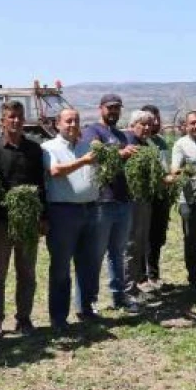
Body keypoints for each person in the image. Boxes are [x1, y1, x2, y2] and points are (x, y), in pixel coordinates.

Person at [0, 100, 46, 336]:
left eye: (20, 116)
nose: (16, 121)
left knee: (27, 272)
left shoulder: (34, 149)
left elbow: (41, 185)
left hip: (28, 221)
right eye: (11, 117)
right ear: (2, 120)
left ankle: (24, 319)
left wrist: (43, 216)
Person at [80, 93, 140, 314]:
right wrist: (121, 153)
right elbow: (96, 151)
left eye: (117, 108)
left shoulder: (121, 134)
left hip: (123, 200)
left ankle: (119, 296)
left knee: (118, 252)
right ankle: (89, 301)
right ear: (101, 108)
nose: (114, 111)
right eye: (110, 108)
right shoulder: (93, 130)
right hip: (102, 200)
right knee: (95, 254)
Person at [42, 108, 101, 331]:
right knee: (61, 267)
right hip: (63, 212)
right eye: (68, 121)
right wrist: (84, 161)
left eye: (76, 120)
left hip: (90, 209)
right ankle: (58, 317)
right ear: (58, 124)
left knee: (88, 264)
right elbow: (55, 171)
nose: (73, 124)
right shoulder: (49, 148)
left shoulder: (89, 147)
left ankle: (85, 308)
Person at [171, 110, 196, 286]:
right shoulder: (181, 144)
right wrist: (185, 171)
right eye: (192, 123)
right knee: (191, 239)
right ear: (186, 125)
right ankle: (193, 276)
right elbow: (174, 170)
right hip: (188, 200)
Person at [123, 109, 158, 301]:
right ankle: (127, 289)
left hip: (143, 199)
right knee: (130, 244)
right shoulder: (128, 142)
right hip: (131, 200)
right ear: (132, 125)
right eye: (142, 124)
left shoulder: (146, 144)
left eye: (149, 124)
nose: (146, 128)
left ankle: (134, 286)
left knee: (140, 243)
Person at [142, 104, 171, 288]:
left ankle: (153, 274)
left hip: (162, 195)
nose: (155, 122)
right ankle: (141, 277)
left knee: (157, 236)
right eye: (151, 119)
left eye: (157, 119)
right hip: (145, 196)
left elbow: (166, 166)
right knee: (142, 236)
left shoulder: (161, 142)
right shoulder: (139, 141)